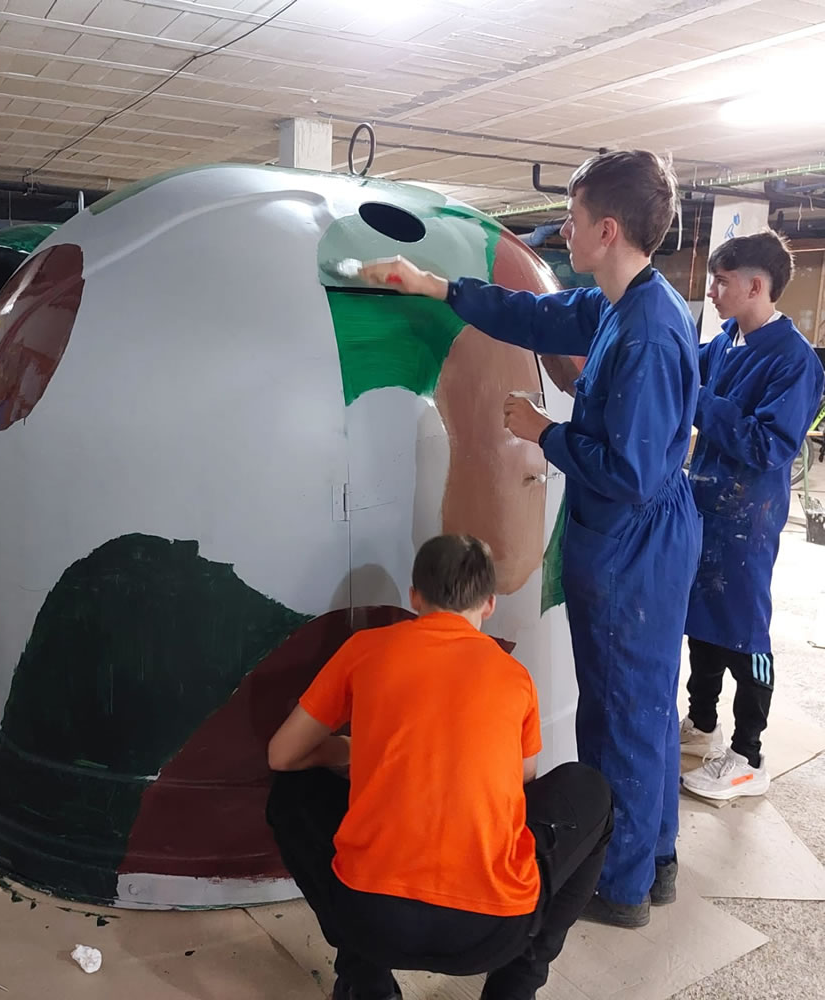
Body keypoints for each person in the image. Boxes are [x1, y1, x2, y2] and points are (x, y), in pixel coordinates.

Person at [355, 150, 701, 928]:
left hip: (633, 542)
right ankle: (654, 860)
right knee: (643, 706)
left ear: (607, 231)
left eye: (573, 221)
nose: (562, 233)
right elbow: (539, 317)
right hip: (637, 536)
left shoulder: (645, 331)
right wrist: (437, 288)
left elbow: (631, 473)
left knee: (621, 712)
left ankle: (620, 886)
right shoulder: (624, 302)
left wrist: (543, 432)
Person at [266, 534, 612, 1000]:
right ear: (489, 604)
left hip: (370, 923)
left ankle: (366, 986)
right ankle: (515, 988)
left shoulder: (364, 649)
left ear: (414, 597)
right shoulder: (514, 676)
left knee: (290, 791)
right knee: (591, 791)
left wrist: (347, 750)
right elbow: (523, 784)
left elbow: (281, 755)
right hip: (492, 932)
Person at [680, 231, 824, 800]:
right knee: (702, 622)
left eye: (722, 282)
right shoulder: (725, 342)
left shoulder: (794, 361)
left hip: (748, 519)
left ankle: (748, 755)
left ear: (756, 285)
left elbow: (768, 446)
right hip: (705, 506)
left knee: (744, 632)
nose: (712, 292)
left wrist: (699, 400)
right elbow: (685, 371)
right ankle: (703, 724)